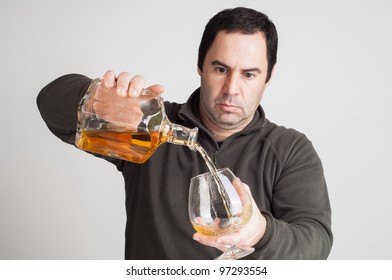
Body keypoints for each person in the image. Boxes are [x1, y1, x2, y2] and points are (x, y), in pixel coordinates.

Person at [37, 7, 333, 259]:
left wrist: (261, 231)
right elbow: (51, 106)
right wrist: (100, 98)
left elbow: (315, 244)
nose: (232, 89)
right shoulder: (149, 123)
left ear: (268, 77)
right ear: (200, 66)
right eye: (220, 69)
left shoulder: (289, 148)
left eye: (248, 74)